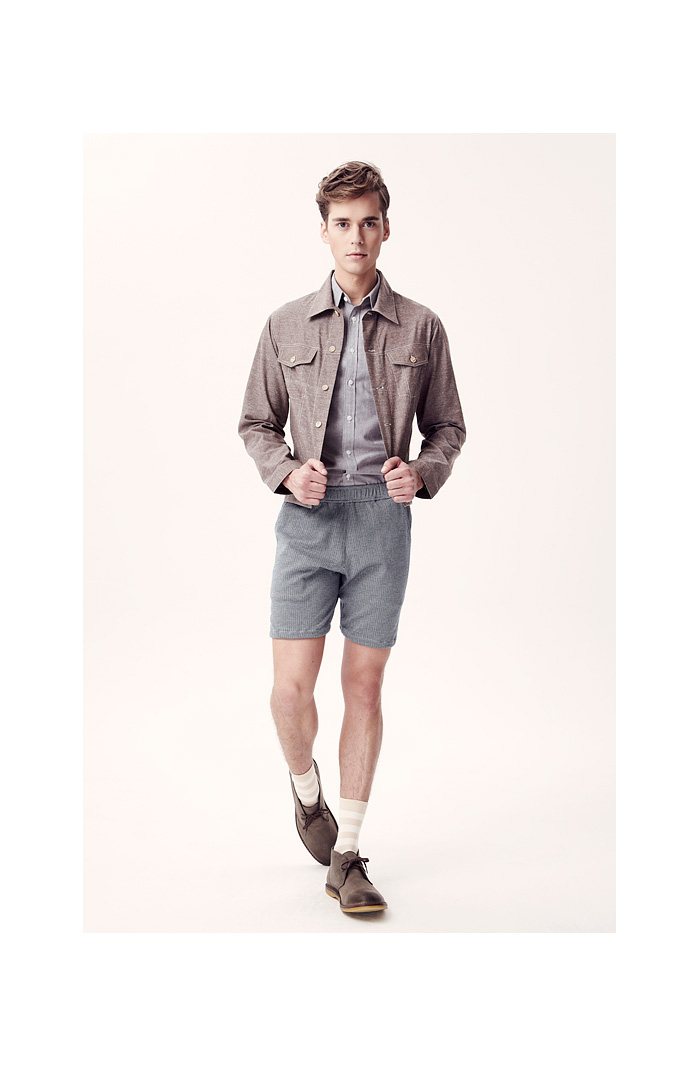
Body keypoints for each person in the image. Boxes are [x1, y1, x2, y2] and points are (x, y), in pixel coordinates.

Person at [238, 160, 466, 914]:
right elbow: (256, 422)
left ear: (386, 228)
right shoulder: (284, 324)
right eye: (343, 223)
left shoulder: (421, 326)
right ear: (325, 232)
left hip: (381, 524)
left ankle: (349, 855)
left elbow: (448, 427)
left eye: (369, 222)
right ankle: (307, 793)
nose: (357, 236)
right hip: (308, 520)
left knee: (363, 686)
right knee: (288, 692)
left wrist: (422, 473)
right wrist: (285, 472)